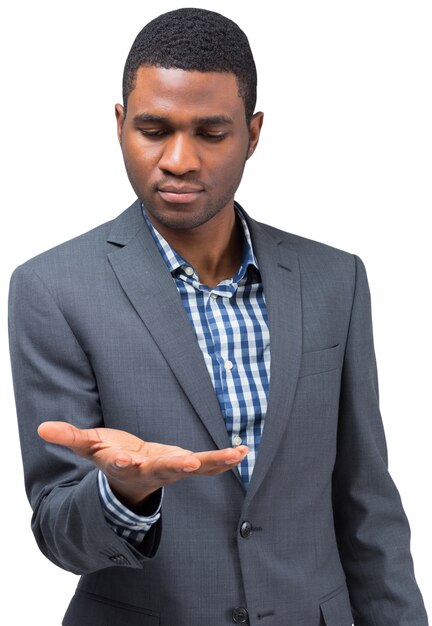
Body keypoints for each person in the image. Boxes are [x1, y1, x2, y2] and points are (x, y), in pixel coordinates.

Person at [8, 7, 428, 626]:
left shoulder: (336, 280)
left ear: (253, 134)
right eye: (154, 129)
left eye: (211, 133)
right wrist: (126, 489)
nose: (179, 159)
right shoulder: (52, 288)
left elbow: (366, 502)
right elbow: (58, 532)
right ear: (120, 124)